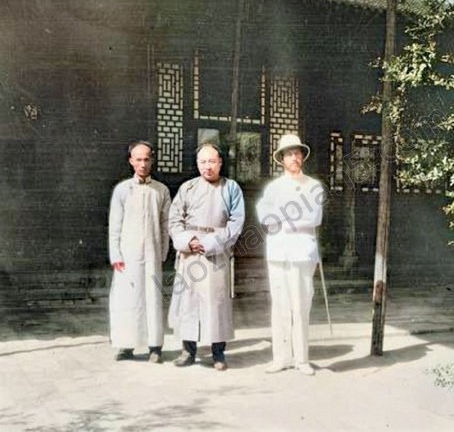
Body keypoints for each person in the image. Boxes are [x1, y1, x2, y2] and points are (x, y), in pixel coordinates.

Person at [168, 143, 245, 371]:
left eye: (212, 161)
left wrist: (212, 243)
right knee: (188, 301)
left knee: (216, 302)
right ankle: (187, 350)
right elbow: (174, 220)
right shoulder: (187, 188)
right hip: (190, 251)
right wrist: (186, 241)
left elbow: (236, 222)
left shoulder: (231, 188)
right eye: (203, 162)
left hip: (216, 249)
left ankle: (218, 352)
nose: (207, 167)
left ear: (220, 162)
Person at [256, 134, 325, 376]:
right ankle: (281, 358)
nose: (294, 157)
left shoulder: (313, 186)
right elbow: (265, 217)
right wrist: (288, 217)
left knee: (301, 304)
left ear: (302, 157)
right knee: (280, 305)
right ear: (281, 159)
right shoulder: (273, 188)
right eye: (289, 154)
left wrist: (283, 217)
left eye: (297, 153)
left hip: (303, 251)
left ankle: (302, 359)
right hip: (278, 251)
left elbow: (314, 218)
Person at [108, 141, 171, 363]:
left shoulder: (161, 191)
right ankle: (126, 346)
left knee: (152, 298)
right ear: (131, 161)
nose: (143, 164)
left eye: (146, 159)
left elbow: (165, 225)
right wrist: (116, 255)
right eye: (138, 159)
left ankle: (155, 346)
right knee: (127, 299)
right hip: (128, 254)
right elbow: (115, 224)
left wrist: (162, 253)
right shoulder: (122, 190)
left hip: (153, 253)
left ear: (152, 160)